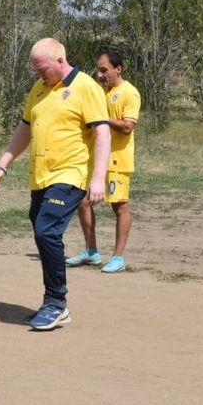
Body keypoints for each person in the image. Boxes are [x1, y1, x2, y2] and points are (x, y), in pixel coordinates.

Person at [0, 38, 109, 330]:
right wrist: (3, 163)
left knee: (46, 230)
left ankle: (57, 303)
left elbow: (103, 133)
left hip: (69, 175)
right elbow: (25, 129)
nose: (40, 75)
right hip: (40, 177)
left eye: (43, 69)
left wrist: (98, 178)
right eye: (36, 70)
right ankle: (51, 301)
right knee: (44, 235)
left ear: (59, 60)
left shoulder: (85, 87)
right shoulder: (39, 88)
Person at [68, 50, 141, 273]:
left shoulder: (129, 93)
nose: (99, 74)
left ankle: (118, 257)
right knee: (83, 201)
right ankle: (91, 252)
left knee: (119, 206)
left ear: (118, 69)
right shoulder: (101, 92)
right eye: (98, 70)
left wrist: (101, 118)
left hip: (117, 160)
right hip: (97, 159)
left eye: (104, 70)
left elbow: (128, 127)